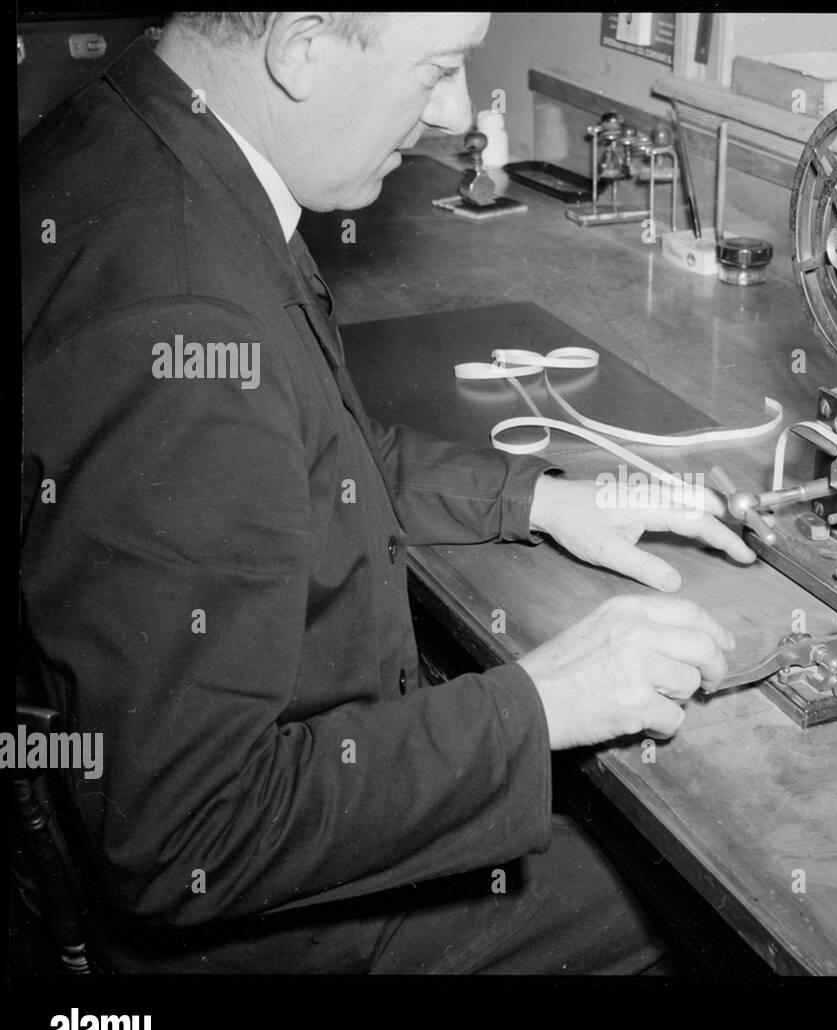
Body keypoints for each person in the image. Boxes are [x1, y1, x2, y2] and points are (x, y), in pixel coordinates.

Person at [18, 11, 755, 974]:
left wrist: (535, 498)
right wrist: (543, 703)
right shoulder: (179, 311)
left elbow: (306, 450)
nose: (454, 113)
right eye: (438, 70)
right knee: (681, 894)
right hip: (252, 928)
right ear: (302, 49)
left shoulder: (139, 133)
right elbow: (183, 836)